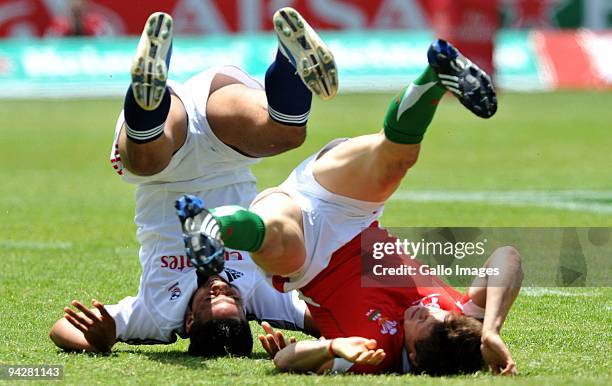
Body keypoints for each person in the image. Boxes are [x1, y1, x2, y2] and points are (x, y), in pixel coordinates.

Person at [175, 40, 521, 375]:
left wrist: (331, 348)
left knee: (282, 244)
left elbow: (284, 361)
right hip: (354, 215)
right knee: (396, 159)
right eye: (436, 314)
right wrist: (490, 329)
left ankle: (210, 226)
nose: (427, 311)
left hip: (308, 260)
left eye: (423, 323)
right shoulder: (460, 325)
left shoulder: (373, 356)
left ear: (413, 356)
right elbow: (508, 257)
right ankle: (435, 75)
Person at [49, 8, 337, 356]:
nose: (220, 288)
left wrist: (100, 339)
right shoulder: (264, 299)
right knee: (287, 134)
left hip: (164, 165)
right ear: (246, 312)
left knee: (144, 160)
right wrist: (299, 354)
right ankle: (291, 58)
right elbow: (332, 319)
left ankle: (150, 93)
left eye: (210, 300)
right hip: (227, 152)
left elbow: (60, 329)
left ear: (188, 323)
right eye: (232, 298)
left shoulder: (156, 316)